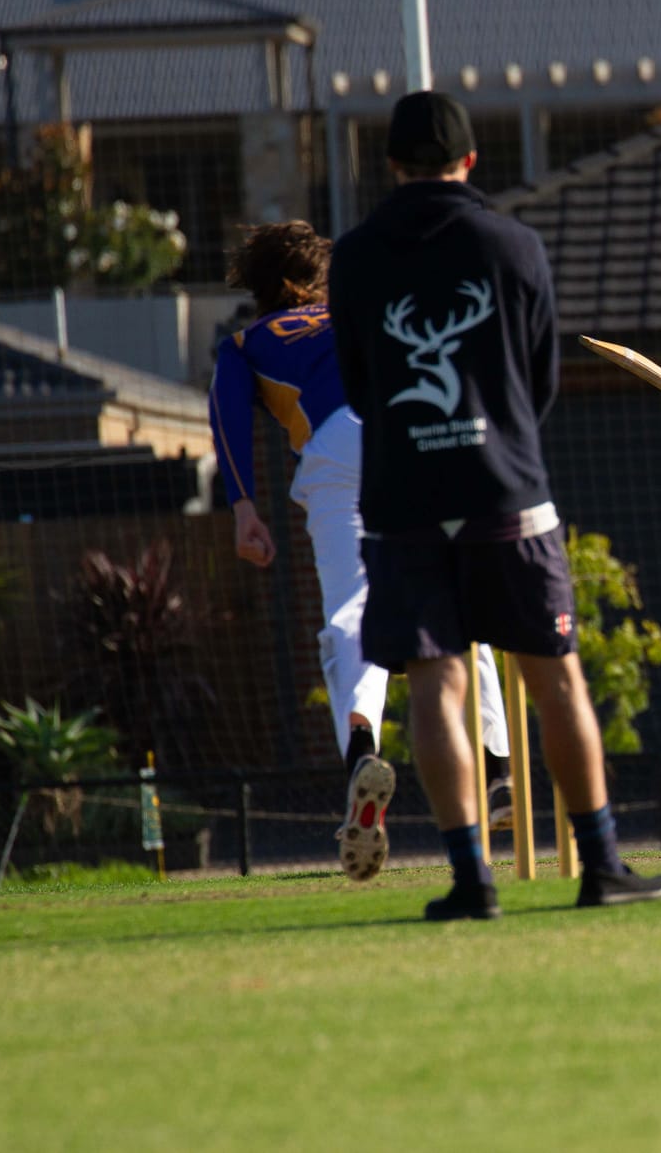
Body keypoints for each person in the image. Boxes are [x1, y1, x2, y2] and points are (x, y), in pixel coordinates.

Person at [329, 89, 661, 918]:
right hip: (506, 491)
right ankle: (600, 866)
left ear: (390, 164)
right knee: (556, 681)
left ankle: (470, 880)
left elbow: (356, 384)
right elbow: (539, 377)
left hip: (403, 499)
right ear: (471, 160)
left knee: (435, 687)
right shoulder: (513, 244)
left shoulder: (355, 256)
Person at [209, 221, 514, 883]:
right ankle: (499, 770)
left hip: (338, 452)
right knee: (459, 610)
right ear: (317, 282)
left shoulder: (245, 343)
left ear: (262, 290)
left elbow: (227, 416)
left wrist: (243, 506)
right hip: (420, 433)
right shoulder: (362, 306)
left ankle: (362, 752)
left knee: (354, 614)